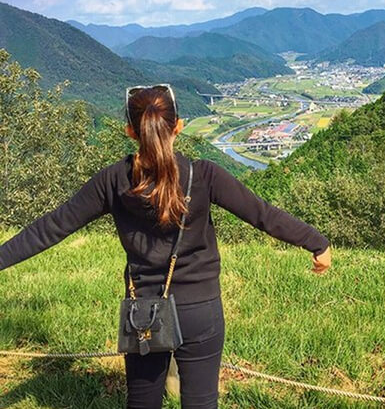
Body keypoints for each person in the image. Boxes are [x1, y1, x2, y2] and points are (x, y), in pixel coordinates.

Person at [0, 85, 332, 408]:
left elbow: (52, 227)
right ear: (179, 127)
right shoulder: (204, 175)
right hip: (200, 309)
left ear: (131, 131)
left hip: (143, 312)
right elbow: (263, 215)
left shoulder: (113, 181)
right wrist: (316, 242)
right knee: (201, 403)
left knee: (142, 403)